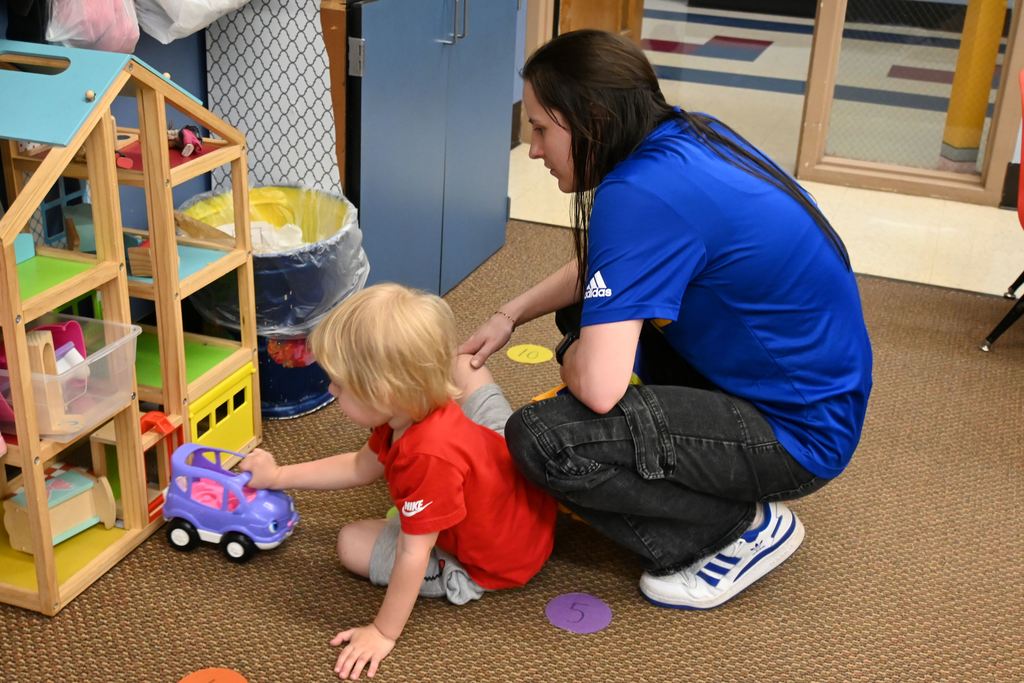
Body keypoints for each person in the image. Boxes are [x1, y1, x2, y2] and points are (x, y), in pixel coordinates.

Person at [460, 30, 873, 611]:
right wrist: (511, 314)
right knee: (582, 317)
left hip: (798, 434)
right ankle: (674, 446)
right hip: (806, 384)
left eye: (541, 129)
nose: (533, 149)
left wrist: (581, 357)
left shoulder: (638, 196)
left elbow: (600, 387)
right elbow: (618, 260)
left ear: (594, 121)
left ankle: (736, 531)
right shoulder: (681, 135)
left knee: (545, 438)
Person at [242, 283, 557, 679]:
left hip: (504, 557)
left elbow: (413, 554)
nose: (330, 389)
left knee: (351, 543)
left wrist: (382, 632)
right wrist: (279, 476)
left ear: (385, 393)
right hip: (502, 463)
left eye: (340, 385)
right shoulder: (408, 410)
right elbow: (362, 465)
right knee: (463, 366)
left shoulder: (425, 459)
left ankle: (460, 577)